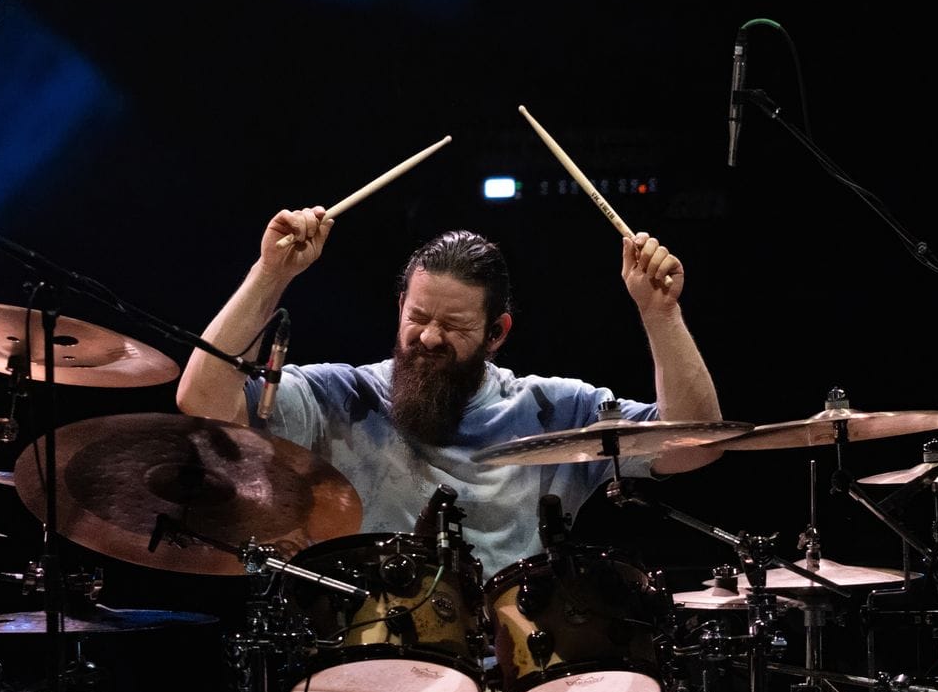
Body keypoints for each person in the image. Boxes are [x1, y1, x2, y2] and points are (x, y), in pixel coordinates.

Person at [175, 205, 723, 580]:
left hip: (513, 675)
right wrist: (271, 273)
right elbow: (202, 400)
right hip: (362, 664)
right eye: (418, 317)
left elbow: (695, 446)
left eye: (454, 326)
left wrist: (661, 313)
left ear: (496, 334)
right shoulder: (341, 396)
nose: (429, 338)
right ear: (400, 307)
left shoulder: (552, 409)